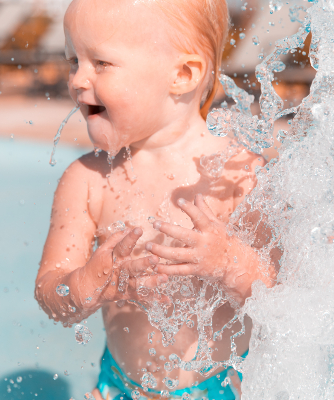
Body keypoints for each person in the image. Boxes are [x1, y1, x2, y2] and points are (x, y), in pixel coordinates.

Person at [34, 0, 275, 398]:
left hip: (221, 389)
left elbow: (281, 297)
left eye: (101, 63)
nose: (78, 80)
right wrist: (87, 283)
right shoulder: (88, 181)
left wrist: (230, 262)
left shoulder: (239, 175)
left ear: (182, 73)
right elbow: (50, 294)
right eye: (74, 61)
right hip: (120, 389)